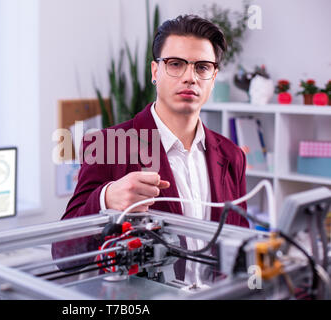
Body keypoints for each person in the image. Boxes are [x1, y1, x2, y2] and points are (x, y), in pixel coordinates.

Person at [56, 14, 249, 284]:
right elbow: (63, 253)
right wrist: (106, 198)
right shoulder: (107, 145)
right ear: (155, 72)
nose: (190, 77)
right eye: (175, 64)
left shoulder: (233, 156)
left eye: (202, 67)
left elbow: (240, 246)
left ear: (213, 77)